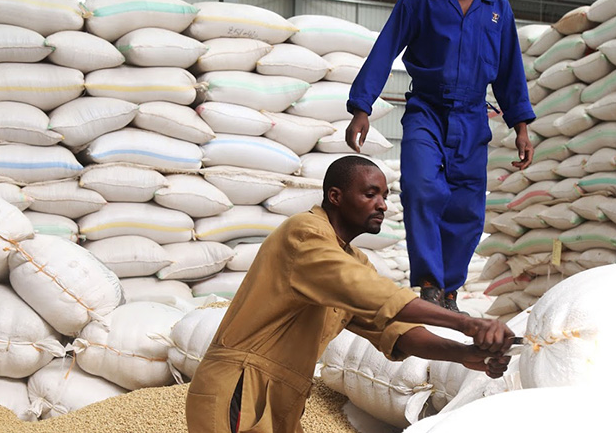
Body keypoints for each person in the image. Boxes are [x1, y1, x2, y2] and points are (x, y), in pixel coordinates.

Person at [186, 156, 515, 433]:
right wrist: (467, 324)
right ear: (336, 196)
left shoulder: (355, 261)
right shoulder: (304, 233)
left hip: (283, 396)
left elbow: (393, 331)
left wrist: (462, 354)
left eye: (384, 195)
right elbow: (369, 292)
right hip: (242, 387)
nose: (383, 204)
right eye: (371, 194)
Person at [346, 0, 535, 313]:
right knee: (421, 188)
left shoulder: (497, 7)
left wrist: (521, 126)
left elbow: (510, 69)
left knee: (466, 208)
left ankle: (449, 293)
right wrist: (362, 107)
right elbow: (385, 49)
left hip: (472, 117)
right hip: (427, 111)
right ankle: (430, 283)